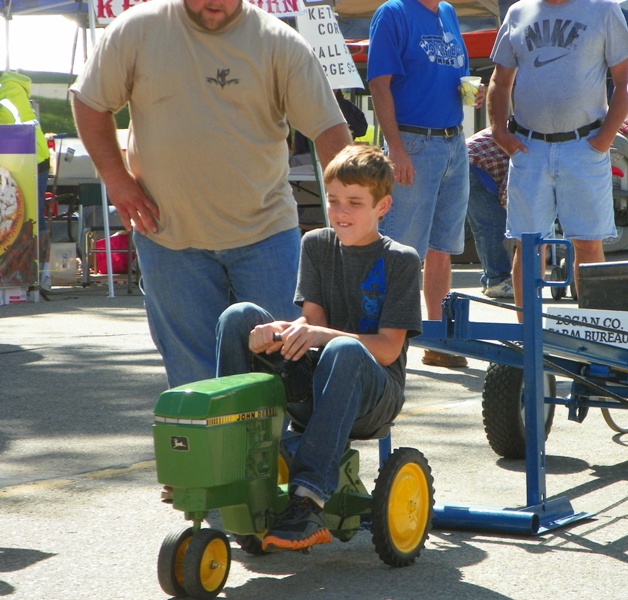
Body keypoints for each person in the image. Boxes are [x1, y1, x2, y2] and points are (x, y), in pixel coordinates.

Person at [70, 0, 352, 388]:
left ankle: (281, 431)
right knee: (195, 381)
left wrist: (351, 209)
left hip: (266, 236)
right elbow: (89, 101)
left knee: (288, 369)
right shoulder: (136, 30)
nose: (215, 2)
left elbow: (329, 128)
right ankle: (209, 431)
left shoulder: (279, 43)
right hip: (169, 238)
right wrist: (116, 180)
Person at [215, 144, 422, 552]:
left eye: (355, 203)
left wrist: (319, 335)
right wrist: (279, 331)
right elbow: (312, 322)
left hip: (375, 395)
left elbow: (387, 350)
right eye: (334, 200)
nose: (341, 211)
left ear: (382, 207)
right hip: (320, 380)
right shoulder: (316, 244)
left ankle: (308, 499)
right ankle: (233, 464)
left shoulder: (400, 259)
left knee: (344, 350)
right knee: (239, 316)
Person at [487, 0, 628, 309]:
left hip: (584, 145)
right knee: (528, 246)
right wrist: (499, 132)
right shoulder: (518, 12)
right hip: (529, 147)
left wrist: (604, 139)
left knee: (588, 243)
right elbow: (500, 81)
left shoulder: (603, 9)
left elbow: (626, 81)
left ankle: (592, 332)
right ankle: (528, 335)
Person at [367, 0, 483, 368]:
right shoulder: (393, 13)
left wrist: (471, 94)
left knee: (442, 247)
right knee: (402, 250)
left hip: (453, 140)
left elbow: (455, 78)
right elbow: (379, 85)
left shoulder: (447, 12)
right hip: (412, 142)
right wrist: (396, 149)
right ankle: (384, 340)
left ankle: (437, 341)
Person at [0, 70, 51, 290]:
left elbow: (9, 122)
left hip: (30, 159)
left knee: (32, 217)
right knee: (28, 217)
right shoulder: (10, 86)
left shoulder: (8, 89)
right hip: (23, 158)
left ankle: (40, 274)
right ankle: (32, 273)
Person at [466, 128, 513, 299]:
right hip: (473, 167)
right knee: (493, 224)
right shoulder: (532, 142)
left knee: (485, 226)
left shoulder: (525, 127)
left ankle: (491, 279)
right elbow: (507, 193)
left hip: (471, 163)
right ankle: (497, 281)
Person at [291, 89, 368, 167]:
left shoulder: (346, 105)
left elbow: (361, 130)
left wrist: (340, 107)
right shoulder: (310, 105)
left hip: (342, 155)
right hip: (310, 159)